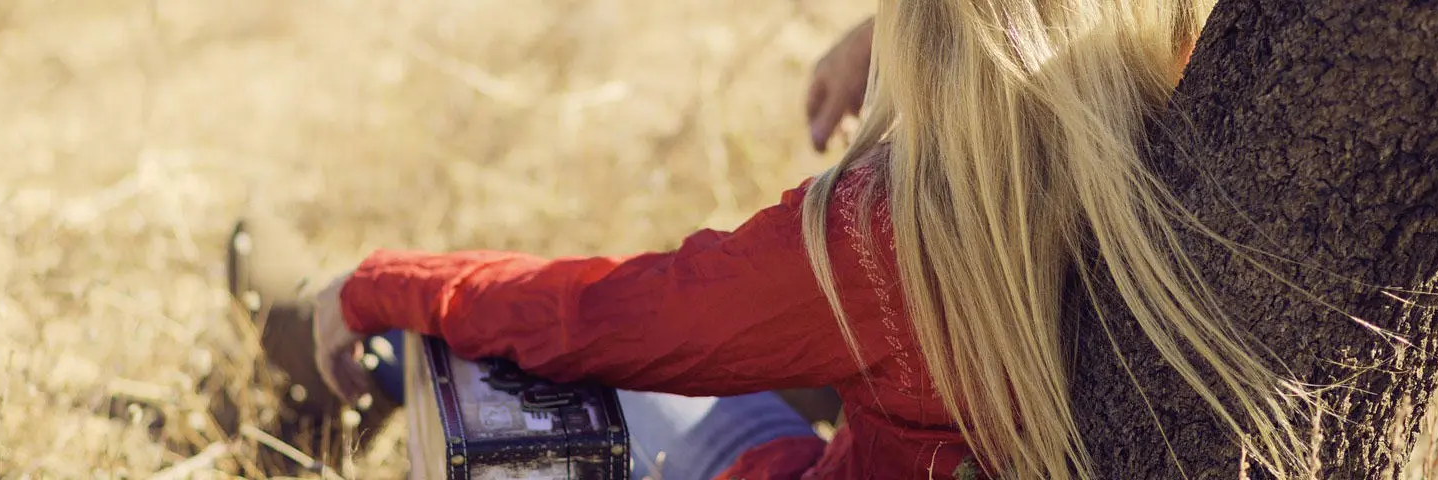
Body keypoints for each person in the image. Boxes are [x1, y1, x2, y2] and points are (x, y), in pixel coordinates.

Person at [251, 1, 1316, 478]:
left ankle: (322, 316)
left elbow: (603, 316)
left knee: (608, 377)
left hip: (786, 450)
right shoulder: (1198, 138)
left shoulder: (877, 249)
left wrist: (376, 279)